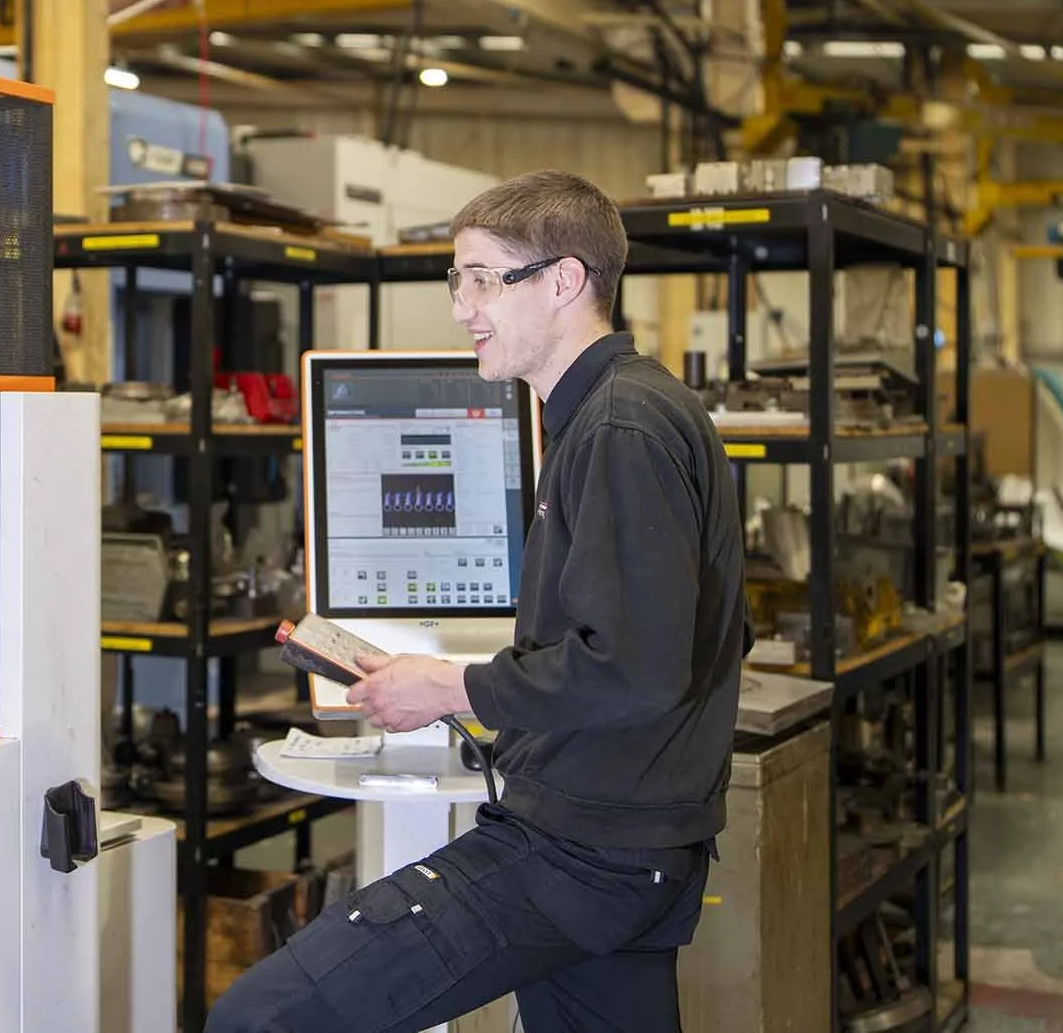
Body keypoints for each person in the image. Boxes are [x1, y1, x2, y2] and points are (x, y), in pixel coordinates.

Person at [207, 171, 749, 1033]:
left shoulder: (619, 429)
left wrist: (449, 688)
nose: (464, 305)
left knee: (261, 1018)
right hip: (633, 852)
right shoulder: (623, 412)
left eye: (486, 278)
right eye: (456, 279)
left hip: (580, 853)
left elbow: (636, 667)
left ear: (566, 281)